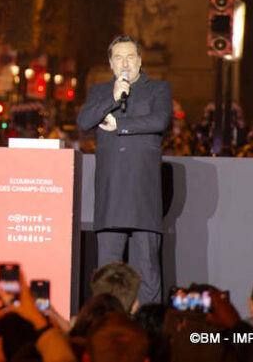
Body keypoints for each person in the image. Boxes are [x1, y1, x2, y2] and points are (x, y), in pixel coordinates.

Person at [77, 36, 172, 304]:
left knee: (147, 268)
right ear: (110, 63)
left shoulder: (159, 89)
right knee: (108, 270)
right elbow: (84, 121)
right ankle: (106, 322)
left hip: (143, 190)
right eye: (118, 58)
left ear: (140, 60)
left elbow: (160, 120)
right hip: (111, 190)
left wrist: (121, 125)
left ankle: (149, 328)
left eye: (130, 57)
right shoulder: (100, 92)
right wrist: (112, 98)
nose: (125, 63)